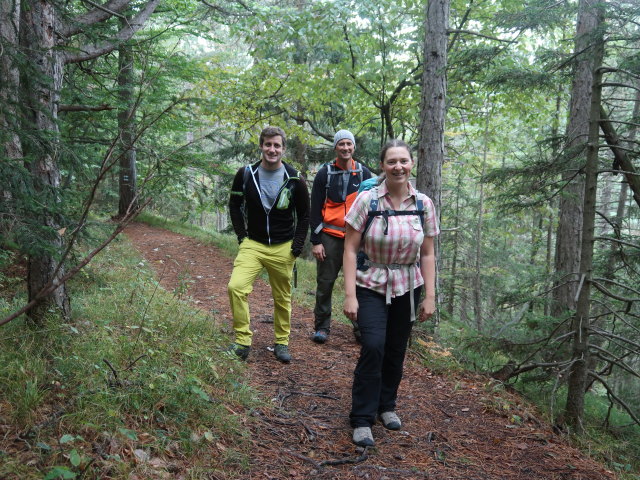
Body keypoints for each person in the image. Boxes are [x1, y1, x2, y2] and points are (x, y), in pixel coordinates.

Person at [342, 139, 439, 447]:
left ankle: (387, 405)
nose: (398, 166)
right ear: (382, 166)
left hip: (408, 286)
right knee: (373, 345)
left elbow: (428, 253)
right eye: (391, 161)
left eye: (403, 161)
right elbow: (349, 247)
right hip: (370, 283)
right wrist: (349, 295)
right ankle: (361, 418)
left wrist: (430, 295)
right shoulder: (368, 201)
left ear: (411, 164)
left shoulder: (423, 204)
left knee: (396, 349)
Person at [227, 126, 310, 364]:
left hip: (283, 247)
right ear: (261, 146)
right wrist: (242, 237)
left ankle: (281, 342)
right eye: (268, 144)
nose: (272, 149)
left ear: (283, 149)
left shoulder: (295, 178)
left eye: (277, 145)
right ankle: (242, 341)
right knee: (236, 287)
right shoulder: (246, 173)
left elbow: (305, 215)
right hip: (253, 244)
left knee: (282, 297)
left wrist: (296, 247)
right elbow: (234, 205)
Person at [309, 130, 372, 344]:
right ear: (335, 147)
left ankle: (361, 328)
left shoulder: (364, 174)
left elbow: (372, 207)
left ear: (354, 147)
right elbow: (315, 208)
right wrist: (316, 241)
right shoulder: (324, 173)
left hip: (357, 239)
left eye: (349, 144)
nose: (345, 148)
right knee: (325, 282)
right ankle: (322, 327)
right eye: (341, 144)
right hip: (330, 236)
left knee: (359, 283)